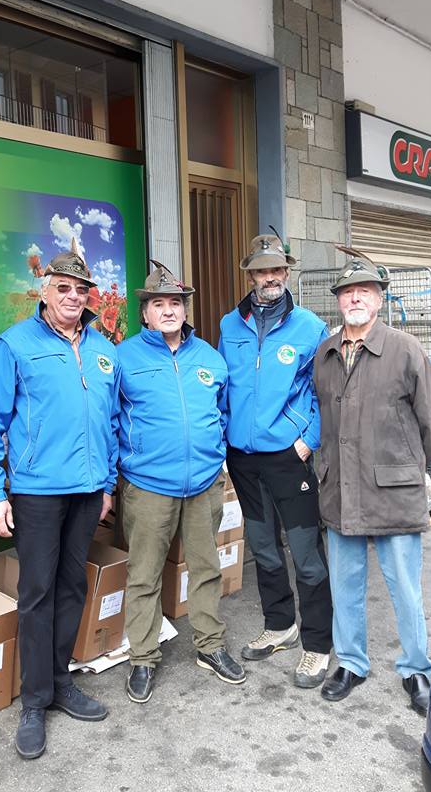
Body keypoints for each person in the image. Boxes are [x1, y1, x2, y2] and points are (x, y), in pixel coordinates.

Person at [0, 242, 120, 759]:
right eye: (63, 288)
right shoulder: (15, 345)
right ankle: (34, 703)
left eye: (81, 290)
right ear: (44, 290)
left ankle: (60, 682)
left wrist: (107, 484)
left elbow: (111, 422)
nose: (73, 297)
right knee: (37, 594)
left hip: (87, 492)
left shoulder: (103, 349)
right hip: (36, 492)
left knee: (72, 587)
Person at [313, 250, 431, 714]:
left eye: (364, 291)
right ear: (339, 302)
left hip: (392, 493)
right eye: (348, 292)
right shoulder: (326, 353)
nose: (355, 298)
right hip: (339, 491)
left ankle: (416, 669)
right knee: (345, 585)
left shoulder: (405, 349)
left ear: (378, 299)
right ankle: (351, 662)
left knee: (405, 588)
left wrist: (407, 465)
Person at [117, 261, 246, 704]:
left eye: (176, 303)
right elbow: (106, 419)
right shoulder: (124, 358)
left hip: (205, 483)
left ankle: (209, 646)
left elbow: (223, 412)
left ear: (185, 310)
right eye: (159, 303)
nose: (169, 310)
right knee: (145, 573)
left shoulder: (209, 357)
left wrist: (217, 459)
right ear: (146, 313)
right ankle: (143, 657)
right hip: (149, 486)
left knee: (207, 568)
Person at [218, 233, 333, 688]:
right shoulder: (230, 324)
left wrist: (310, 439)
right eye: (261, 271)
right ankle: (280, 625)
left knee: (306, 554)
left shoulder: (309, 326)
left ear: (287, 273)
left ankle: (318, 645)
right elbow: (223, 386)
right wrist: (225, 440)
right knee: (264, 549)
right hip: (244, 459)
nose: (269, 277)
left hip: (289, 455)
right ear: (250, 275)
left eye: (277, 269)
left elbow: (325, 391)